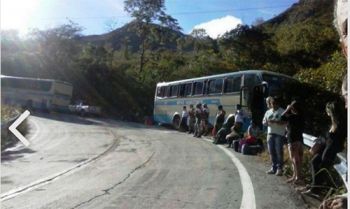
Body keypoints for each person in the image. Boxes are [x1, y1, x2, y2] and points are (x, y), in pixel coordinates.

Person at [302, 99, 347, 197]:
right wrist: (319, 141)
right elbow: (326, 136)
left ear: (330, 111)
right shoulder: (332, 123)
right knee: (314, 162)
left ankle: (319, 190)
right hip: (327, 146)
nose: (326, 112)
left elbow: (338, 138)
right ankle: (315, 187)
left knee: (323, 168)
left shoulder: (342, 124)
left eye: (327, 110)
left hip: (333, 148)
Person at [281, 100, 305, 184]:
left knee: (294, 159)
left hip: (293, 139)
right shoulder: (302, 116)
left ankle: (297, 177)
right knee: (299, 158)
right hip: (300, 139)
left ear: (293, 108)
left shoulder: (292, 117)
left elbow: (282, 117)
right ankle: (296, 176)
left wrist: (288, 109)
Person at [263, 97, 287, 176]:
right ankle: (273, 168)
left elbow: (286, 122)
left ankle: (280, 168)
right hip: (270, 133)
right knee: (271, 151)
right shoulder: (268, 112)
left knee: (279, 151)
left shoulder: (282, 111)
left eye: (274, 104)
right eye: (272, 104)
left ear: (278, 104)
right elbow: (264, 122)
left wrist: (276, 122)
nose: (273, 105)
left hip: (279, 134)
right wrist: (266, 122)